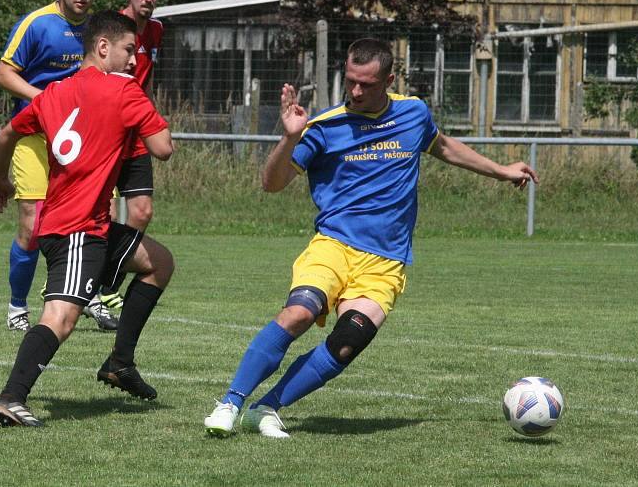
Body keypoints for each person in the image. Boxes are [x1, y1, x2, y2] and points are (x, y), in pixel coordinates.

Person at [204, 37, 539, 438]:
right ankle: (231, 402)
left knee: (348, 341)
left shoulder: (413, 113)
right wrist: (290, 137)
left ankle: (267, 408)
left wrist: (502, 171)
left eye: (366, 84)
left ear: (389, 80)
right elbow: (271, 184)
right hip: (334, 247)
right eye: (350, 82)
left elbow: (444, 147)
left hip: (386, 260)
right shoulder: (324, 126)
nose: (356, 92)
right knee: (299, 314)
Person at [0, 11, 174, 427]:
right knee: (61, 317)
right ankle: (10, 397)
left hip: (91, 226)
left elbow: (6, 135)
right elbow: (163, 147)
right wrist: (138, 103)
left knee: (158, 262)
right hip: (75, 230)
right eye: (129, 50)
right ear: (103, 47)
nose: (133, 60)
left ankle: (119, 363)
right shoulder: (125, 91)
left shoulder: (53, 92)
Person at [0, 0, 117, 332]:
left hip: (84, 139)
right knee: (33, 224)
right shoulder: (37, 23)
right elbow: (3, 73)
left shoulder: (99, 29)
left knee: (100, 220)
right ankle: (17, 306)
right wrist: (43, 100)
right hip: (34, 135)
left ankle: (86, 295)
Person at [100, 0, 164, 309]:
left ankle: (107, 283)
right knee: (104, 215)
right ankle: (83, 280)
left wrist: (148, 118)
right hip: (107, 134)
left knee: (140, 213)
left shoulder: (155, 30)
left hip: (135, 135)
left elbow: (146, 81)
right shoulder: (113, 28)